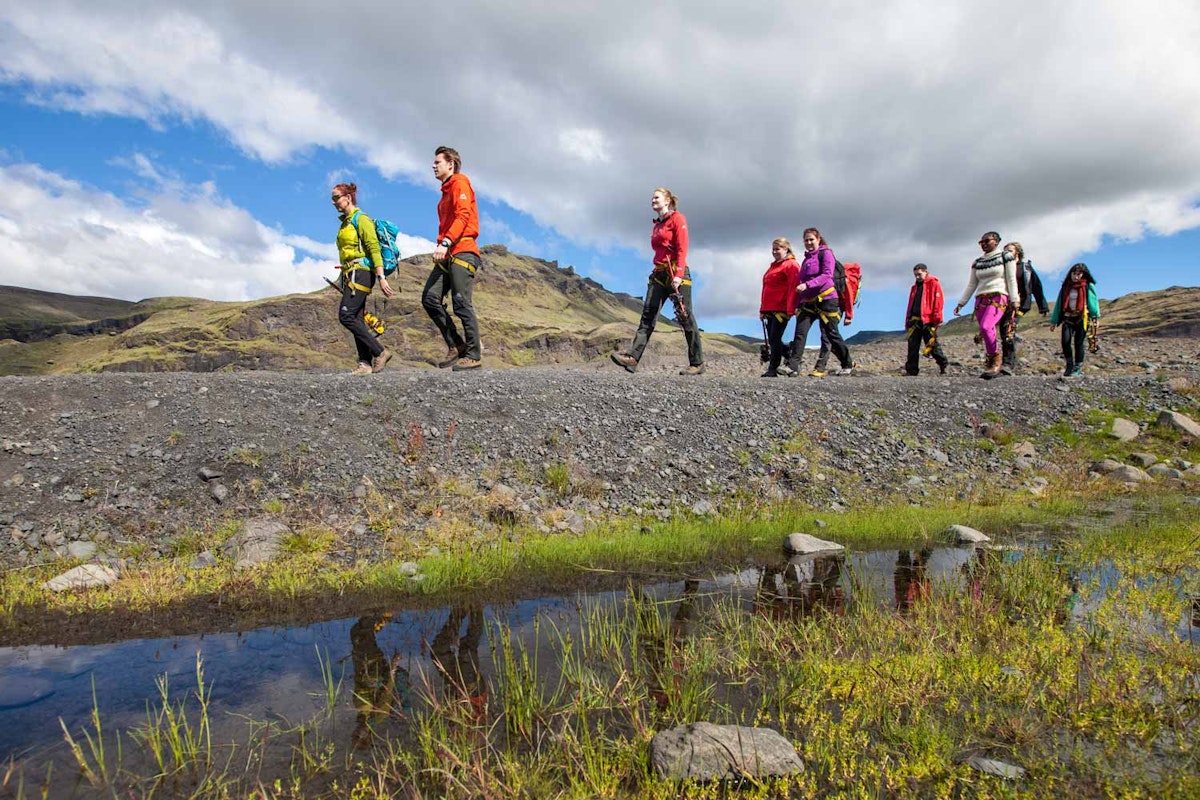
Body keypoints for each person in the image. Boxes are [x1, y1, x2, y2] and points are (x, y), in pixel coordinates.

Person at [610, 188, 706, 376]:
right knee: (648, 314)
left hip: (676, 272)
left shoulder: (678, 219)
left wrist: (678, 275)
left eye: (656, 197)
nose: (652, 200)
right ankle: (633, 358)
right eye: (652, 197)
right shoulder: (657, 225)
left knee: (685, 316)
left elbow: (682, 248)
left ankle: (697, 363)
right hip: (659, 273)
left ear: (667, 200)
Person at [423, 146, 483, 371]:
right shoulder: (446, 191)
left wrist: (446, 241)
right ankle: (456, 344)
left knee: (461, 303)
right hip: (447, 254)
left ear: (451, 164)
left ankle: (474, 354)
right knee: (430, 298)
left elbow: (463, 215)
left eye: (438, 161)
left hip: (463, 250)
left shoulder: (460, 182)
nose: (433, 165)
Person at [332, 183, 395, 375]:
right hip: (349, 272)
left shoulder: (362, 219)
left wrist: (381, 276)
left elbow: (374, 248)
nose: (333, 202)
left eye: (336, 197)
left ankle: (380, 351)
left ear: (348, 197)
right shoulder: (346, 223)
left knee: (346, 315)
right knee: (357, 317)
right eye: (332, 198)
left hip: (361, 272)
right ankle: (364, 364)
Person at [785, 228, 854, 377]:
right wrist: (797, 305)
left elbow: (827, 275)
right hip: (807, 301)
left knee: (831, 334)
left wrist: (808, 285)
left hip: (827, 299)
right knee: (800, 333)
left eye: (811, 239)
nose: (809, 242)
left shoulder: (826, 253)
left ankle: (847, 363)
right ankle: (793, 367)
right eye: (806, 240)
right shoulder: (806, 259)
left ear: (818, 239)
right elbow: (801, 281)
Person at [953, 231, 1017, 379]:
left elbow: (1011, 279)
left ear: (996, 241)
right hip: (980, 299)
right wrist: (961, 303)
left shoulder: (1006, 257)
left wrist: (1014, 299)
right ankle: (990, 362)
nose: (983, 244)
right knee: (986, 330)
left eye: (986, 241)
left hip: (998, 296)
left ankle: (995, 360)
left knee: (986, 327)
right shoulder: (977, 262)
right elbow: (972, 284)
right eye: (981, 242)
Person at [997, 241, 1049, 375]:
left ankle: (1008, 364)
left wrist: (1042, 306)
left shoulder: (1026, 268)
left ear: (1017, 253)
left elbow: (1037, 287)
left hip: (1021, 304)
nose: (1006, 252)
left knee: (1008, 328)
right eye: (1004, 250)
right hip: (1004, 304)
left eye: (1009, 250)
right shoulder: (1002, 268)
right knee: (1004, 332)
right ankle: (1008, 360)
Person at [759, 238, 800, 377]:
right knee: (772, 339)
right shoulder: (773, 266)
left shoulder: (791, 265)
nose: (775, 252)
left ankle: (773, 368)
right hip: (769, 308)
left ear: (786, 249)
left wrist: (791, 308)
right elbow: (766, 288)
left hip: (782, 308)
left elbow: (794, 287)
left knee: (775, 338)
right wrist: (762, 310)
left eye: (778, 249)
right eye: (773, 249)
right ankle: (787, 351)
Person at [1049, 262, 1099, 377]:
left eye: (1079, 274)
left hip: (1082, 318)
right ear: (1070, 273)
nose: (1076, 276)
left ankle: (1078, 368)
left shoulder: (1087, 286)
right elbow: (1059, 304)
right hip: (1068, 318)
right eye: (1074, 273)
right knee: (1065, 342)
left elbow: (1093, 302)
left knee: (1078, 343)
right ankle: (1069, 365)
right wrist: (1054, 321)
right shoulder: (1066, 286)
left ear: (1083, 274)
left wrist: (1095, 317)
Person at [902, 263, 949, 376]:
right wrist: (907, 320)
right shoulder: (914, 288)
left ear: (926, 272)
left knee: (932, 345)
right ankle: (911, 371)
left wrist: (936, 318)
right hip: (914, 321)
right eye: (915, 275)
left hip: (928, 320)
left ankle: (943, 364)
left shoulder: (933, 284)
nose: (917, 277)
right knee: (912, 347)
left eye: (919, 274)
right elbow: (910, 305)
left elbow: (938, 301)